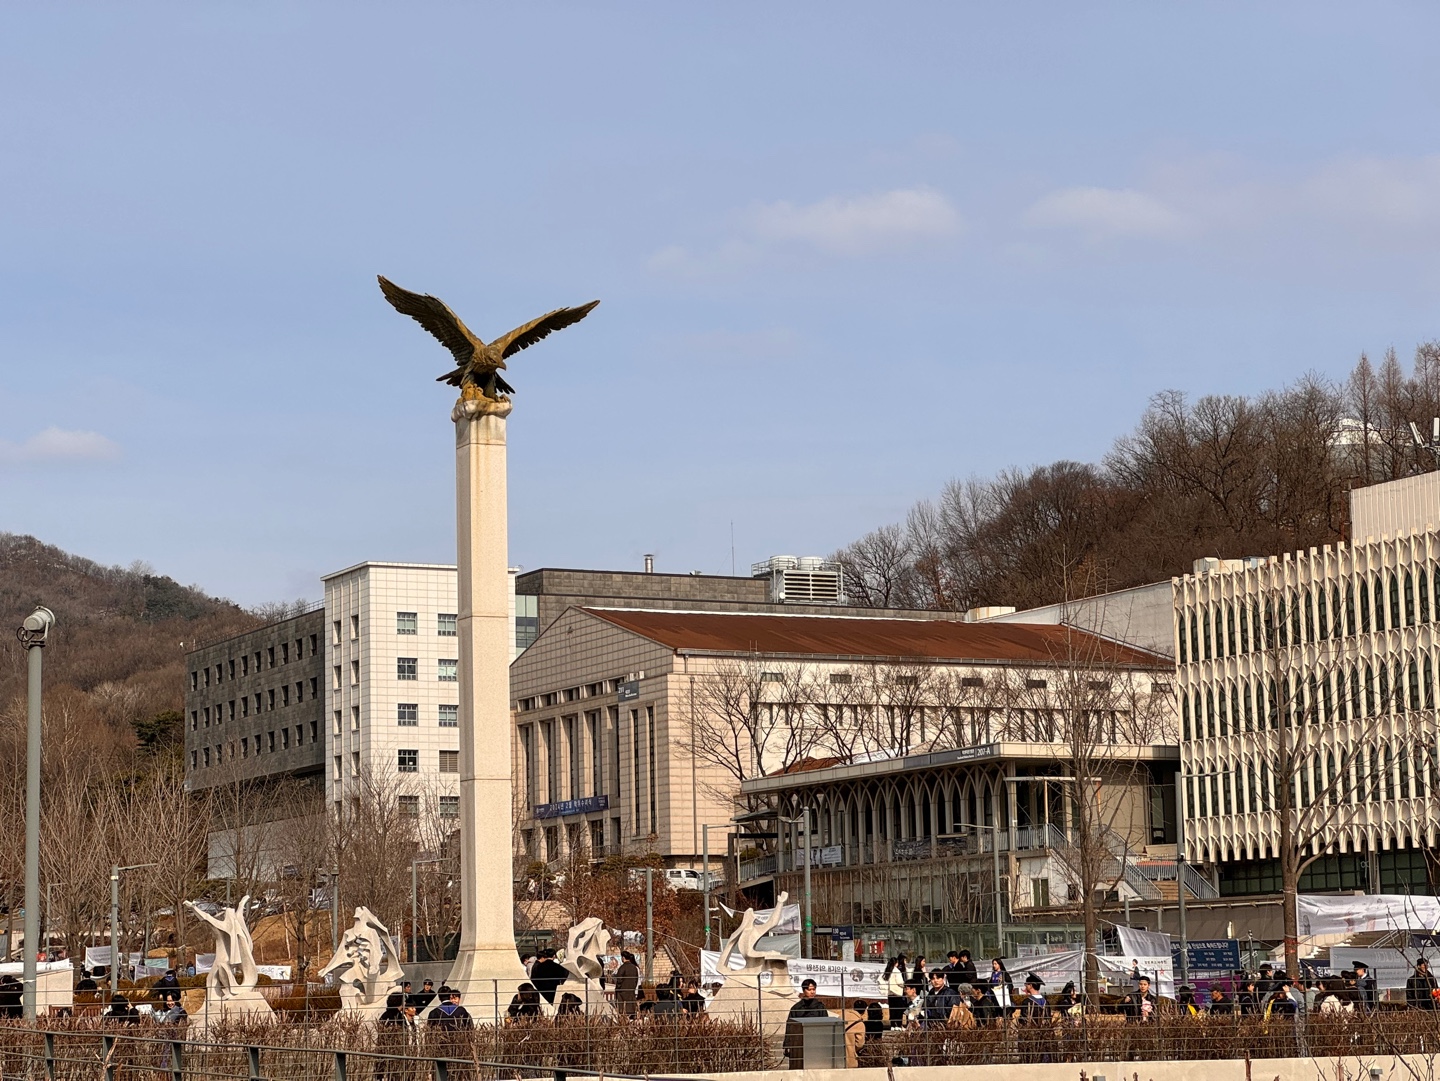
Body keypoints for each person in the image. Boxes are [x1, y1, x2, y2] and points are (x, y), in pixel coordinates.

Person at [784, 980, 831, 1067]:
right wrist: (787, 1045)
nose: (812, 992)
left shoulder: (820, 1007)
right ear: (804, 990)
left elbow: (826, 1025)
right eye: (809, 990)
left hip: (817, 1044)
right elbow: (790, 1026)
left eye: (814, 989)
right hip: (801, 1044)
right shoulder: (796, 1008)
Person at [883, 955, 909, 1027]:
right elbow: (900, 982)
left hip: (890, 993)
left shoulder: (888, 970)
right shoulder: (897, 971)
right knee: (898, 1010)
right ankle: (898, 1025)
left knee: (892, 1010)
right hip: (897, 993)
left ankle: (892, 1025)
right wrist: (905, 986)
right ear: (896, 963)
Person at [614, 951, 641, 1016]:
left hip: (622, 992)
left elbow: (619, 979)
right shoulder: (634, 967)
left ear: (623, 958)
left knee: (622, 1009)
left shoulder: (622, 967)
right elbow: (636, 979)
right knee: (631, 1007)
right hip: (631, 990)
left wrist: (618, 987)